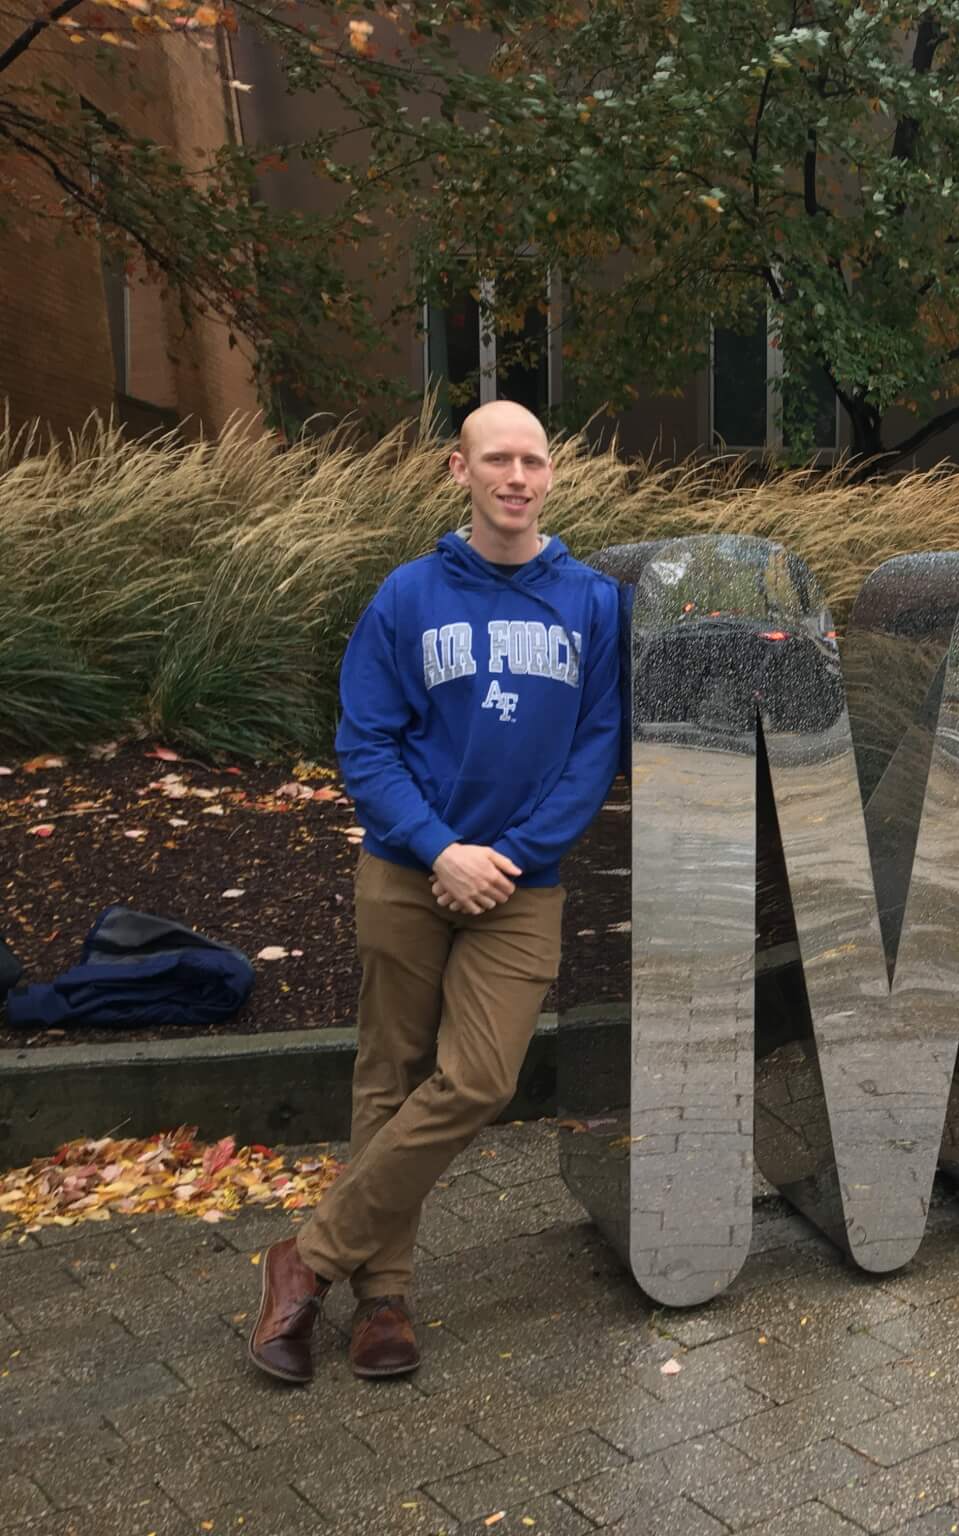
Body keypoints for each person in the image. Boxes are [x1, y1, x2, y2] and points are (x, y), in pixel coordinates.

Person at [247, 401, 623, 1384]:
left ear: (549, 475)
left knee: (480, 1079)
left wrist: (509, 853)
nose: (517, 477)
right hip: (407, 872)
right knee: (390, 1076)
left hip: (522, 882)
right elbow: (363, 745)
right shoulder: (407, 598)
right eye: (496, 458)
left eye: (533, 460)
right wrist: (439, 848)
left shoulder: (590, 602)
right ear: (458, 470)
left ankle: (307, 1258)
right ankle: (383, 1302)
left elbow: (596, 748)